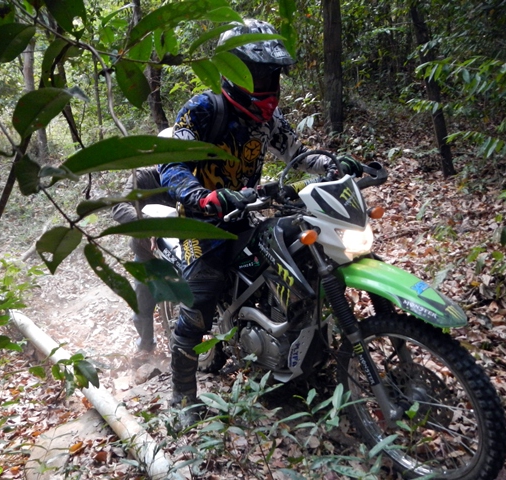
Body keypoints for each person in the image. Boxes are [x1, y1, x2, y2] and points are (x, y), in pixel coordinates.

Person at [158, 19, 363, 425]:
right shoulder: (203, 109)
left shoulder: (268, 120)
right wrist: (200, 195)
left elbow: (298, 155)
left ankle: (291, 344)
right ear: (233, 72)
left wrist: (333, 165)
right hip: (200, 221)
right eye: (259, 75)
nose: (269, 84)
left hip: (245, 211)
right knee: (201, 296)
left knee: (300, 248)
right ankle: (182, 396)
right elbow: (171, 162)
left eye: (273, 76)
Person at [112, 166, 175, 352]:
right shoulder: (143, 177)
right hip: (149, 253)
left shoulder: (190, 175)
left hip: (186, 250)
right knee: (142, 304)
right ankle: (145, 345)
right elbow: (120, 207)